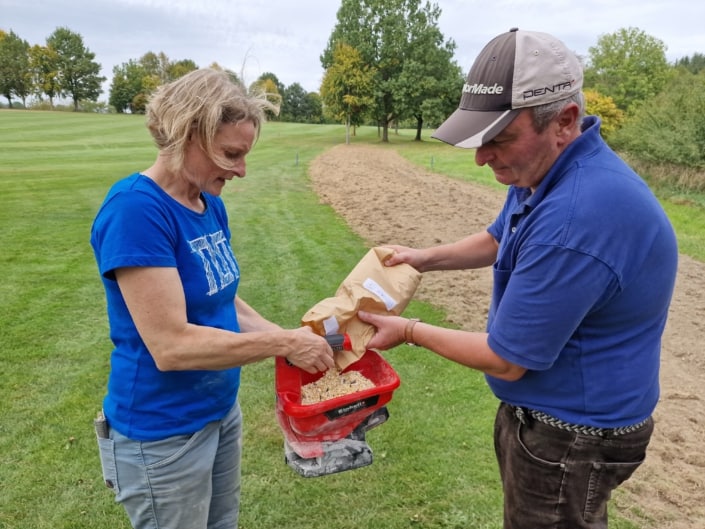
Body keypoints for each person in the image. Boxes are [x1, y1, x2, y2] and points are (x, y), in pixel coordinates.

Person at [357, 28, 678, 529]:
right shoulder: (547, 171)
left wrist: (409, 331)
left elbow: (507, 360)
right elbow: (498, 237)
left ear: (565, 120)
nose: (482, 158)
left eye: (499, 139)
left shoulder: (579, 216)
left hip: (573, 435)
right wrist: (423, 258)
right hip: (557, 422)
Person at [90, 68, 335, 529]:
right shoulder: (136, 211)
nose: (241, 169)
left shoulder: (208, 203)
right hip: (163, 434)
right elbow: (171, 346)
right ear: (188, 135)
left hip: (219, 414)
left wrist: (293, 336)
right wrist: (283, 345)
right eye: (231, 154)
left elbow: (227, 303)